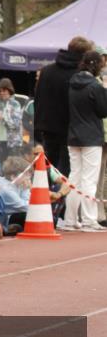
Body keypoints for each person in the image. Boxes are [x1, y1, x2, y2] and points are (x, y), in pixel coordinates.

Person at [34, 35, 94, 176]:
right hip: (72, 129)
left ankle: (47, 196)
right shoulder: (81, 75)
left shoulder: (47, 71)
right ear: (83, 55)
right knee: (70, 171)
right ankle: (61, 197)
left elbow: (38, 99)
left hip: (48, 128)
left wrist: (37, 127)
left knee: (48, 169)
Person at [65, 51, 107, 231]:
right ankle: (89, 220)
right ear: (96, 65)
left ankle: (70, 219)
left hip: (73, 136)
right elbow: (103, 111)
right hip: (91, 137)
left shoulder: (72, 84)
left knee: (75, 178)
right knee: (89, 179)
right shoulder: (95, 86)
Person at [0, 78, 23, 168]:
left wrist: (3, 118)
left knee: (13, 167)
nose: (2, 93)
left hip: (13, 142)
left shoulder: (15, 104)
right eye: (0, 91)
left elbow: (16, 124)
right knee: (2, 166)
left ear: (9, 90)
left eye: (4, 90)